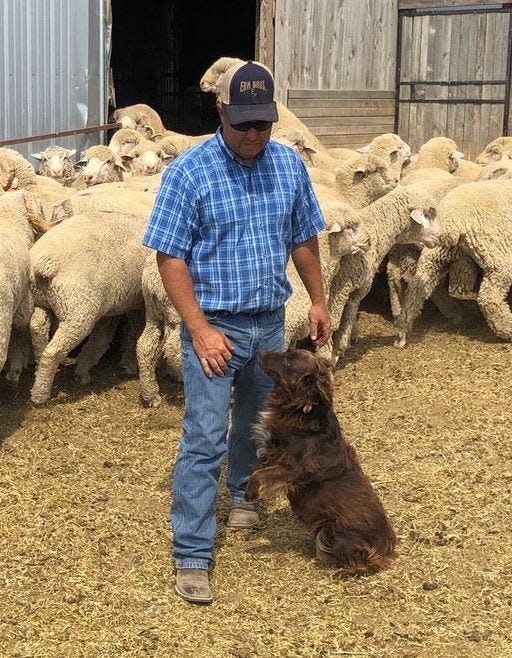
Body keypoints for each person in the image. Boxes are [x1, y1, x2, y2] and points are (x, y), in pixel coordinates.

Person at [142, 60, 331, 605]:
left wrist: (317, 299)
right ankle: (193, 553)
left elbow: (302, 237)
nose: (252, 136)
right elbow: (170, 257)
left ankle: (244, 493)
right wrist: (199, 329)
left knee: (255, 422)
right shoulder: (190, 172)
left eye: (262, 125)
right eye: (242, 124)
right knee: (204, 437)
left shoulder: (288, 166)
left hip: (268, 322)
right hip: (215, 327)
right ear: (220, 111)